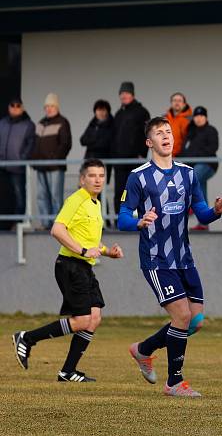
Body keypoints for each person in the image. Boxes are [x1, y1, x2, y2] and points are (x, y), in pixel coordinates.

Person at [118, 117, 222, 397]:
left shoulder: (188, 174)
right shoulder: (138, 176)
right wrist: (138, 222)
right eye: (159, 133)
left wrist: (216, 211)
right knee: (180, 315)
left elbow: (201, 212)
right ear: (149, 142)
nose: (166, 135)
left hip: (184, 257)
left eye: (168, 131)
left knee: (195, 321)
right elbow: (121, 219)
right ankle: (174, 382)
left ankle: (143, 350)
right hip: (156, 258)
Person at [12, 159, 124, 382]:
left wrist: (106, 251)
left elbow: (87, 238)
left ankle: (67, 371)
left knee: (94, 317)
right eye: (92, 176)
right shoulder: (77, 199)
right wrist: (83, 251)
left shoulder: (95, 203)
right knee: (82, 320)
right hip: (70, 266)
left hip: (84, 266)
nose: (98, 180)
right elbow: (57, 230)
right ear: (82, 179)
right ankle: (27, 338)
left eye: (101, 175)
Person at [31, 93, 71, 228]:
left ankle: (57, 226)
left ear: (57, 107)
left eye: (52, 106)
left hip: (55, 167)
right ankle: (45, 223)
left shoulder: (62, 122)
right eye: (46, 106)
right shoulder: (40, 123)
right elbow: (35, 144)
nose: (49, 108)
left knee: (55, 197)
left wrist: (55, 158)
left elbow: (65, 144)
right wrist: (34, 160)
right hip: (40, 166)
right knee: (41, 196)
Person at [112, 81, 150, 215]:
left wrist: (142, 153)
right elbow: (114, 136)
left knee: (135, 189)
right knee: (120, 191)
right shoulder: (118, 114)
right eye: (122, 94)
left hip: (134, 160)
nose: (124, 96)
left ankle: (137, 219)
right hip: (119, 161)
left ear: (132, 95)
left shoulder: (142, 112)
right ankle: (120, 218)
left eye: (127, 93)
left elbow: (147, 133)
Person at [179, 106, 219, 230]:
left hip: (208, 164)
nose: (199, 118)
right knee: (200, 190)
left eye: (202, 116)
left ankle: (191, 205)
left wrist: (195, 155)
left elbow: (213, 148)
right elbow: (184, 150)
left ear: (206, 117)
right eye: (196, 116)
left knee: (194, 176)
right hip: (192, 165)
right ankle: (203, 222)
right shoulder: (191, 132)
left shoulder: (211, 130)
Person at [0, 98, 35, 220]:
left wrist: (22, 159)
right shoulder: (2, 123)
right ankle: (4, 223)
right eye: (12, 105)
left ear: (22, 108)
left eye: (18, 105)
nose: (15, 108)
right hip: (2, 166)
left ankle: (18, 223)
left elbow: (31, 145)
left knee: (19, 195)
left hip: (17, 167)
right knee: (4, 196)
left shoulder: (28, 124)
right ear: (8, 107)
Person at [164, 92, 192, 156]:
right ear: (171, 103)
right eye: (174, 100)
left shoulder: (190, 120)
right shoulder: (164, 119)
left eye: (179, 101)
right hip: (167, 155)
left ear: (184, 104)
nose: (177, 103)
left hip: (184, 156)